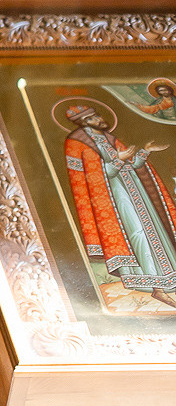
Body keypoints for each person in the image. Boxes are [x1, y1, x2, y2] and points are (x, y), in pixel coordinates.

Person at [61, 102, 176, 311]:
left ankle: (167, 279)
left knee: (154, 233)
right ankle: (155, 287)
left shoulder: (110, 139)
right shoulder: (76, 142)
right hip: (114, 200)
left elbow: (131, 165)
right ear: (85, 122)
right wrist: (115, 161)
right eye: (94, 118)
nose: (99, 119)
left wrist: (144, 153)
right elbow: (89, 177)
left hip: (136, 194)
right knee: (137, 235)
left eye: (97, 116)